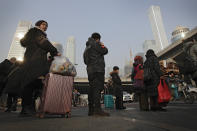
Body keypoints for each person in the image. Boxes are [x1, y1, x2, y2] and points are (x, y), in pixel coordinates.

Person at [4, 20, 59, 116]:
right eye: (43, 24)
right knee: (33, 84)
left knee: (30, 84)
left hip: (30, 61)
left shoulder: (32, 34)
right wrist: (55, 51)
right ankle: (27, 108)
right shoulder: (37, 32)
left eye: (46, 25)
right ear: (38, 25)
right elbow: (43, 42)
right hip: (35, 62)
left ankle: (27, 108)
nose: (45, 27)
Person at [83, 32, 109, 116]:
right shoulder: (96, 44)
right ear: (98, 39)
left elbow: (85, 61)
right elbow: (105, 51)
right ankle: (98, 110)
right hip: (98, 70)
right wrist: (102, 45)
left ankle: (91, 110)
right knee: (97, 89)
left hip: (90, 71)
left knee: (92, 89)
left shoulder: (86, 48)